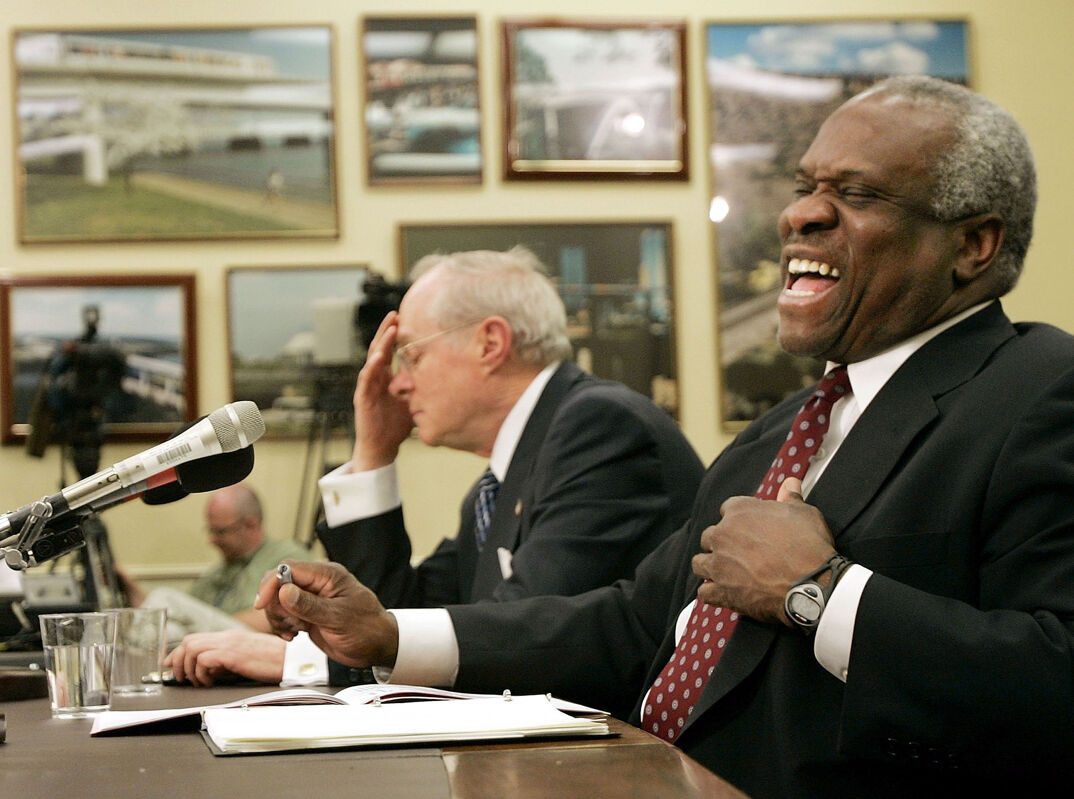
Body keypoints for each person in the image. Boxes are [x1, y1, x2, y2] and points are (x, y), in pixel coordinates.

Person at [249, 76, 1074, 797]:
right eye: (805, 185)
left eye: (856, 196)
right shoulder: (782, 431)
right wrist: (388, 633)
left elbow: (1055, 673)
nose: (800, 214)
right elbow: (632, 624)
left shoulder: (1038, 387)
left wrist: (819, 592)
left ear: (973, 244)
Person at [166, 246, 704, 685]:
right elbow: (401, 614)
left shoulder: (602, 427)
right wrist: (373, 453)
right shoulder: (498, 483)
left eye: (413, 356)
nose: (397, 382)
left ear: (489, 343)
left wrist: (302, 663)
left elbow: (532, 633)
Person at [121, 482, 309, 642]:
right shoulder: (218, 571)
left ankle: (128, 655)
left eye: (220, 532)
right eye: (210, 531)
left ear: (251, 525)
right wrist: (128, 587)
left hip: (256, 642)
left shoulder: (287, 556)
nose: (211, 540)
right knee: (169, 631)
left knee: (165, 597)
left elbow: (280, 618)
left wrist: (206, 625)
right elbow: (180, 613)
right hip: (215, 643)